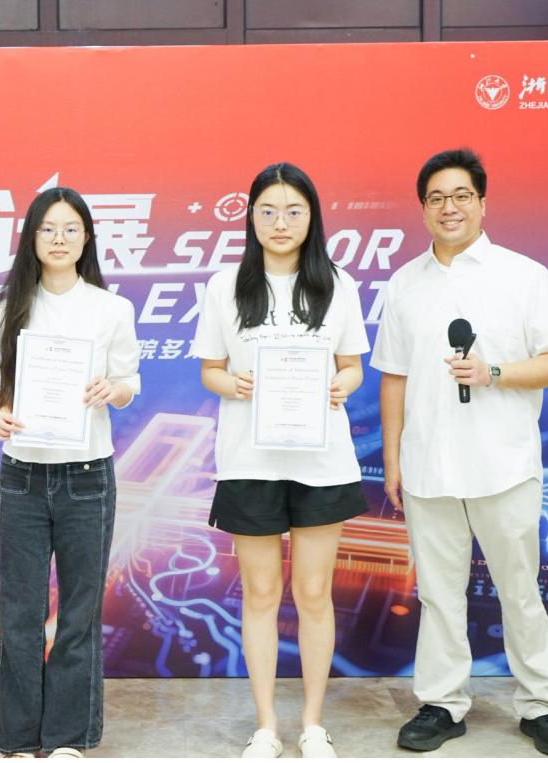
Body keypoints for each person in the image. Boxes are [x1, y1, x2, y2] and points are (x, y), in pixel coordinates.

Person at [371, 148, 548, 756]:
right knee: (438, 594)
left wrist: (494, 373)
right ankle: (442, 703)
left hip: (504, 464)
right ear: (423, 209)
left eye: (461, 195)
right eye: (436, 198)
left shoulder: (524, 275)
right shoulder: (404, 283)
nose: (449, 207)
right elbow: (393, 376)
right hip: (428, 466)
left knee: (519, 590)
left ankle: (541, 705)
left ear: (482, 204)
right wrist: (393, 458)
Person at [191, 163, 370, 759]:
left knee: (314, 593)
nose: (280, 222)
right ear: (250, 217)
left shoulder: (337, 283)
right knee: (261, 594)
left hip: (321, 462)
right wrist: (234, 384)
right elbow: (209, 370)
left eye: (294, 211)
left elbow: (353, 366)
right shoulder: (225, 286)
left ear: (312, 217)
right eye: (267, 211)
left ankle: (313, 725)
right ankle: (266, 725)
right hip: (250, 462)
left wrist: (341, 384)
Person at [0, 187, 140, 759]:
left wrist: (111, 390)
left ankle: (68, 737)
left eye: (71, 228)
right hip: (22, 475)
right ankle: (19, 737)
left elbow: (129, 382)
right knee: (20, 613)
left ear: (86, 237)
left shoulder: (110, 308)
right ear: (32, 237)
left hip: (86, 476)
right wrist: (1, 414)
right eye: (48, 228)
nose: (59, 238)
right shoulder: (10, 307)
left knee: (79, 613)